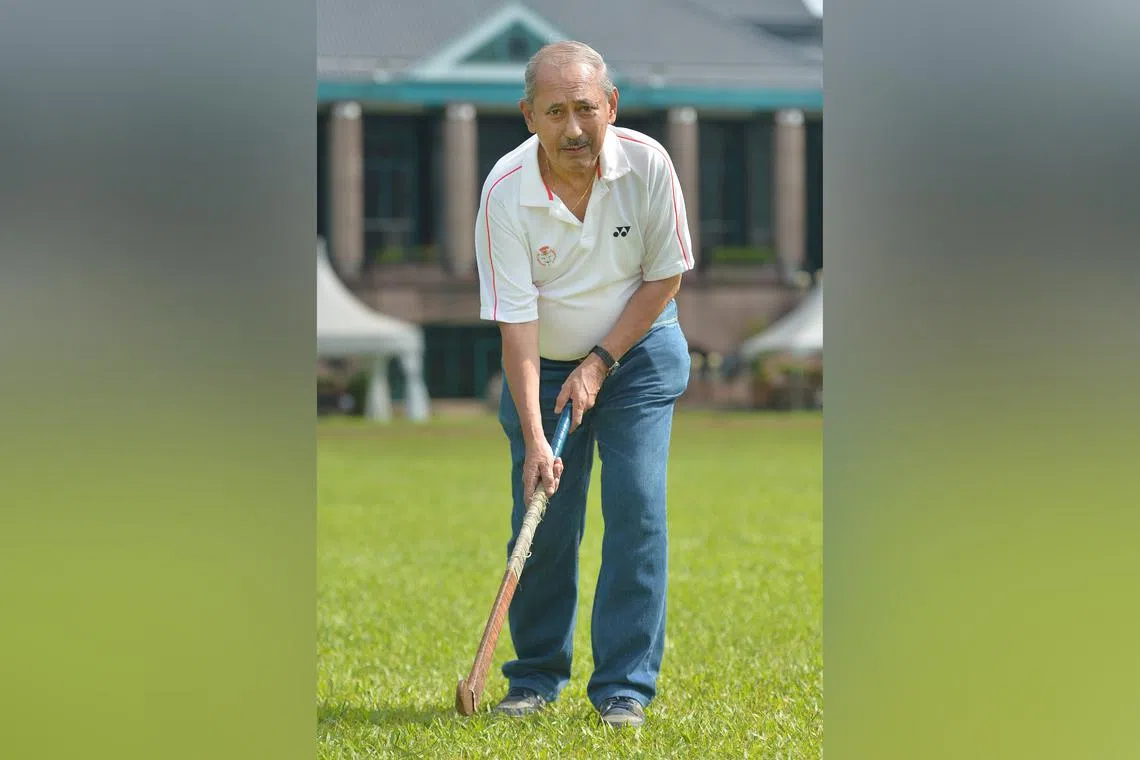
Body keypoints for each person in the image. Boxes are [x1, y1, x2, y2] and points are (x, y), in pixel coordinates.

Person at [474, 40, 694, 729]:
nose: (574, 128)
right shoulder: (505, 192)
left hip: (638, 356)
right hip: (541, 366)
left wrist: (599, 361)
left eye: (586, 109)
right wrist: (537, 438)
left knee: (637, 509)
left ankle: (624, 688)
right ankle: (535, 679)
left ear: (612, 106)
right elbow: (517, 326)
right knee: (543, 520)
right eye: (555, 112)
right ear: (529, 116)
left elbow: (665, 277)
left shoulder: (649, 164)